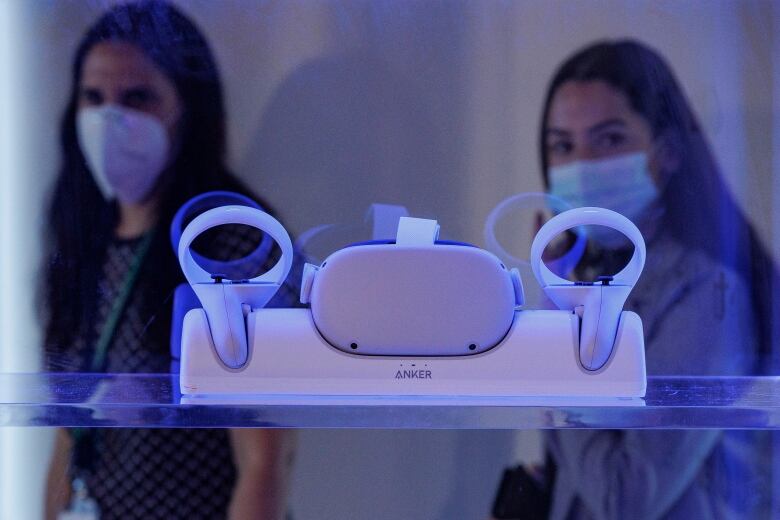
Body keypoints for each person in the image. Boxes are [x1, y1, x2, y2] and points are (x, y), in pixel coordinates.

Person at [41, 2, 299, 518]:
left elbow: (266, 457)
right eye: (93, 97)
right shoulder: (82, 237)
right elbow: (67, 433)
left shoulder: (229, 240)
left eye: (138, 97)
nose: (110, 118)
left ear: (186, 109)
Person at [535, 39, 778, 519]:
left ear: (666, 153)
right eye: (563, 145)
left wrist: (553, 314)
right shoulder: (591, 273)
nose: (581, 165)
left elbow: (623, 497)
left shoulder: (708, 292)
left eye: (608, 139)